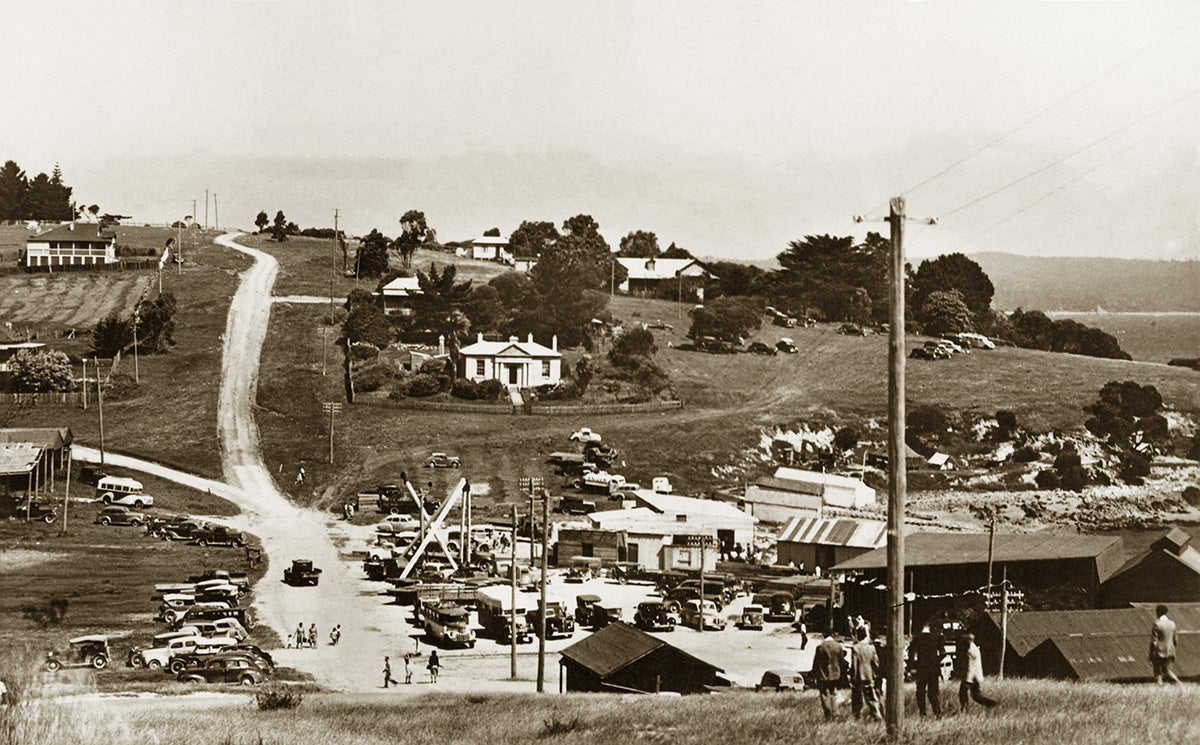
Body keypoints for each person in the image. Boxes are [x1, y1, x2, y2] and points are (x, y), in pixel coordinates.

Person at [810, 626, 845, 721]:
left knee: (825, 694)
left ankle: (828, 715)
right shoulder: (838, 646)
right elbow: (842, 662)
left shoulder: (820, 647)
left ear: (823, 635)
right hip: (835, 674)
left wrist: (814, 675)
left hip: (823, 675)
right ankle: (835, 714)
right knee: (834, 693)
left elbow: (816, 663)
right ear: (833, 634)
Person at [910, 623, 945, 717]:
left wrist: (912, 667)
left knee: (920, 692)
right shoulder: (937, 637)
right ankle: (937, 713)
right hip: (933, 669)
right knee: (933, 693)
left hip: (921, 669)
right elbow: (943, 653)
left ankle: (923, 714)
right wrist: (936, 661)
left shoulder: (917, 638)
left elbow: (912, 654)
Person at [849, 626, 883, 722]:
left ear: (857, 636)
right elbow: (876, 663)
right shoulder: (871, 648)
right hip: (869, 675)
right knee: (871, 698)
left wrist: (853, 677)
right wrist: (874, 675)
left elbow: (854, 664)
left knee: (856, 698)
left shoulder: (855, 648)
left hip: (858, 676)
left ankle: (856, 717)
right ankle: (877, 715)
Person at [958, 632, 998, 712]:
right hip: (974, 676)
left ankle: (965, 709)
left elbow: (970, 664)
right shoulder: (974, 648)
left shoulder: (971, 649)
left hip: (971, 676)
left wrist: (967, 677)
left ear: (969, 640)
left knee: (963, 693)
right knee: (976, 696)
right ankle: (992, 704)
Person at [1151, 604, 1181, 685]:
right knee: (1166, 669)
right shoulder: (1172, 624)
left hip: (1160, 651)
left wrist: (1151, 653)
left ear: (1158, 612)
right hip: (1170, 650)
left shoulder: (1157, 624)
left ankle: (1160, 686)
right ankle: (1178, 683)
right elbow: (1175, 640)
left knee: (1157, 670)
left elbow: (1154, 641)